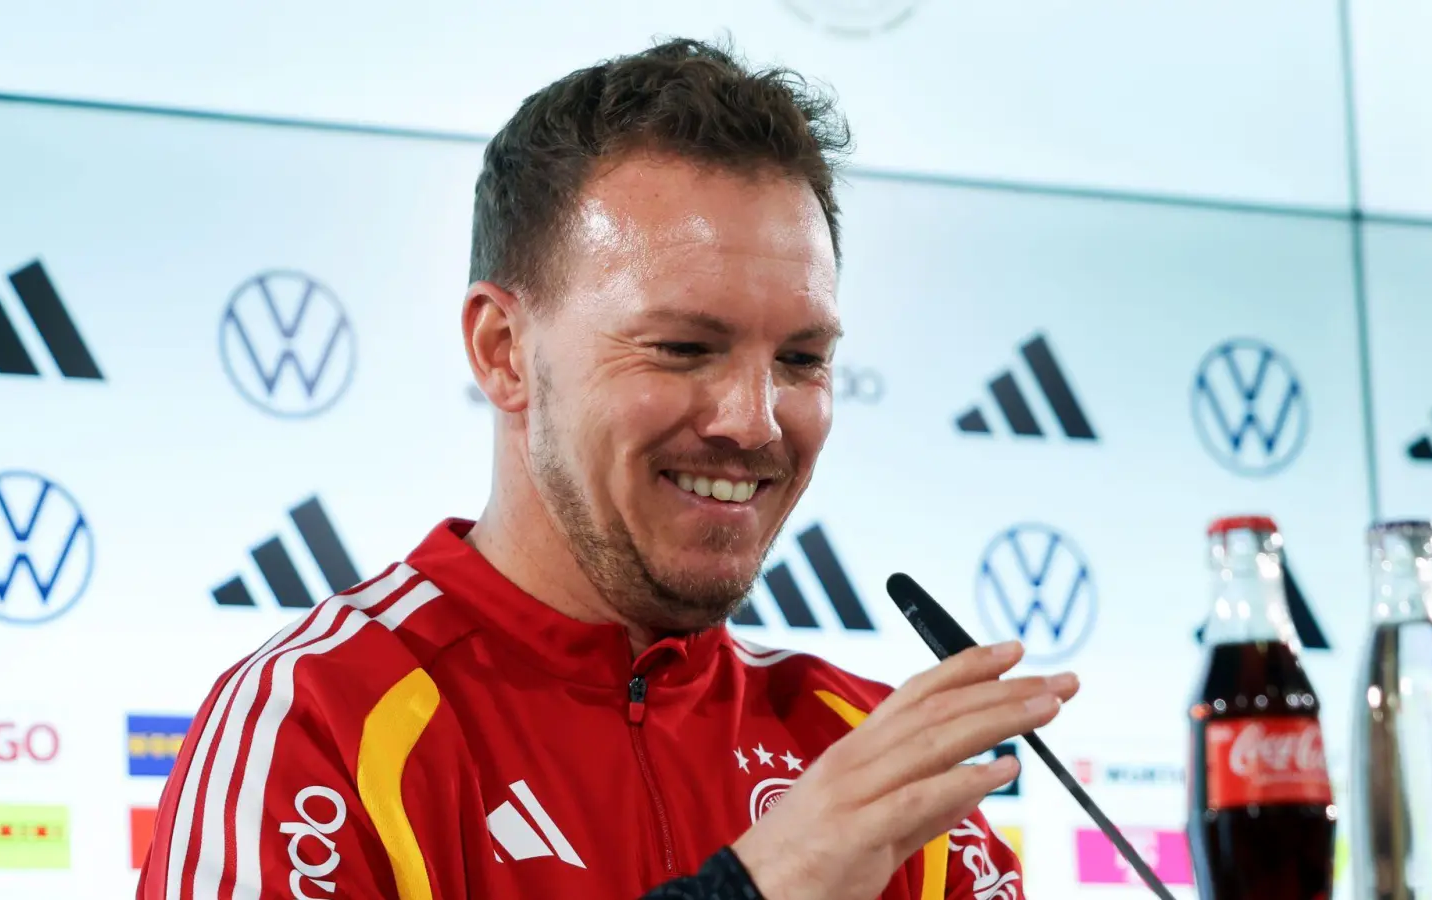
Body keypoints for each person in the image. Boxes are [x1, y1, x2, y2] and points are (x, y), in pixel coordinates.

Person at [137, 36, 1079, 900]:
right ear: (504, 350)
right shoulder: (321, 721)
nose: (753, 422)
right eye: (680, 347)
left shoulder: (861, 751)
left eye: (800, 359)